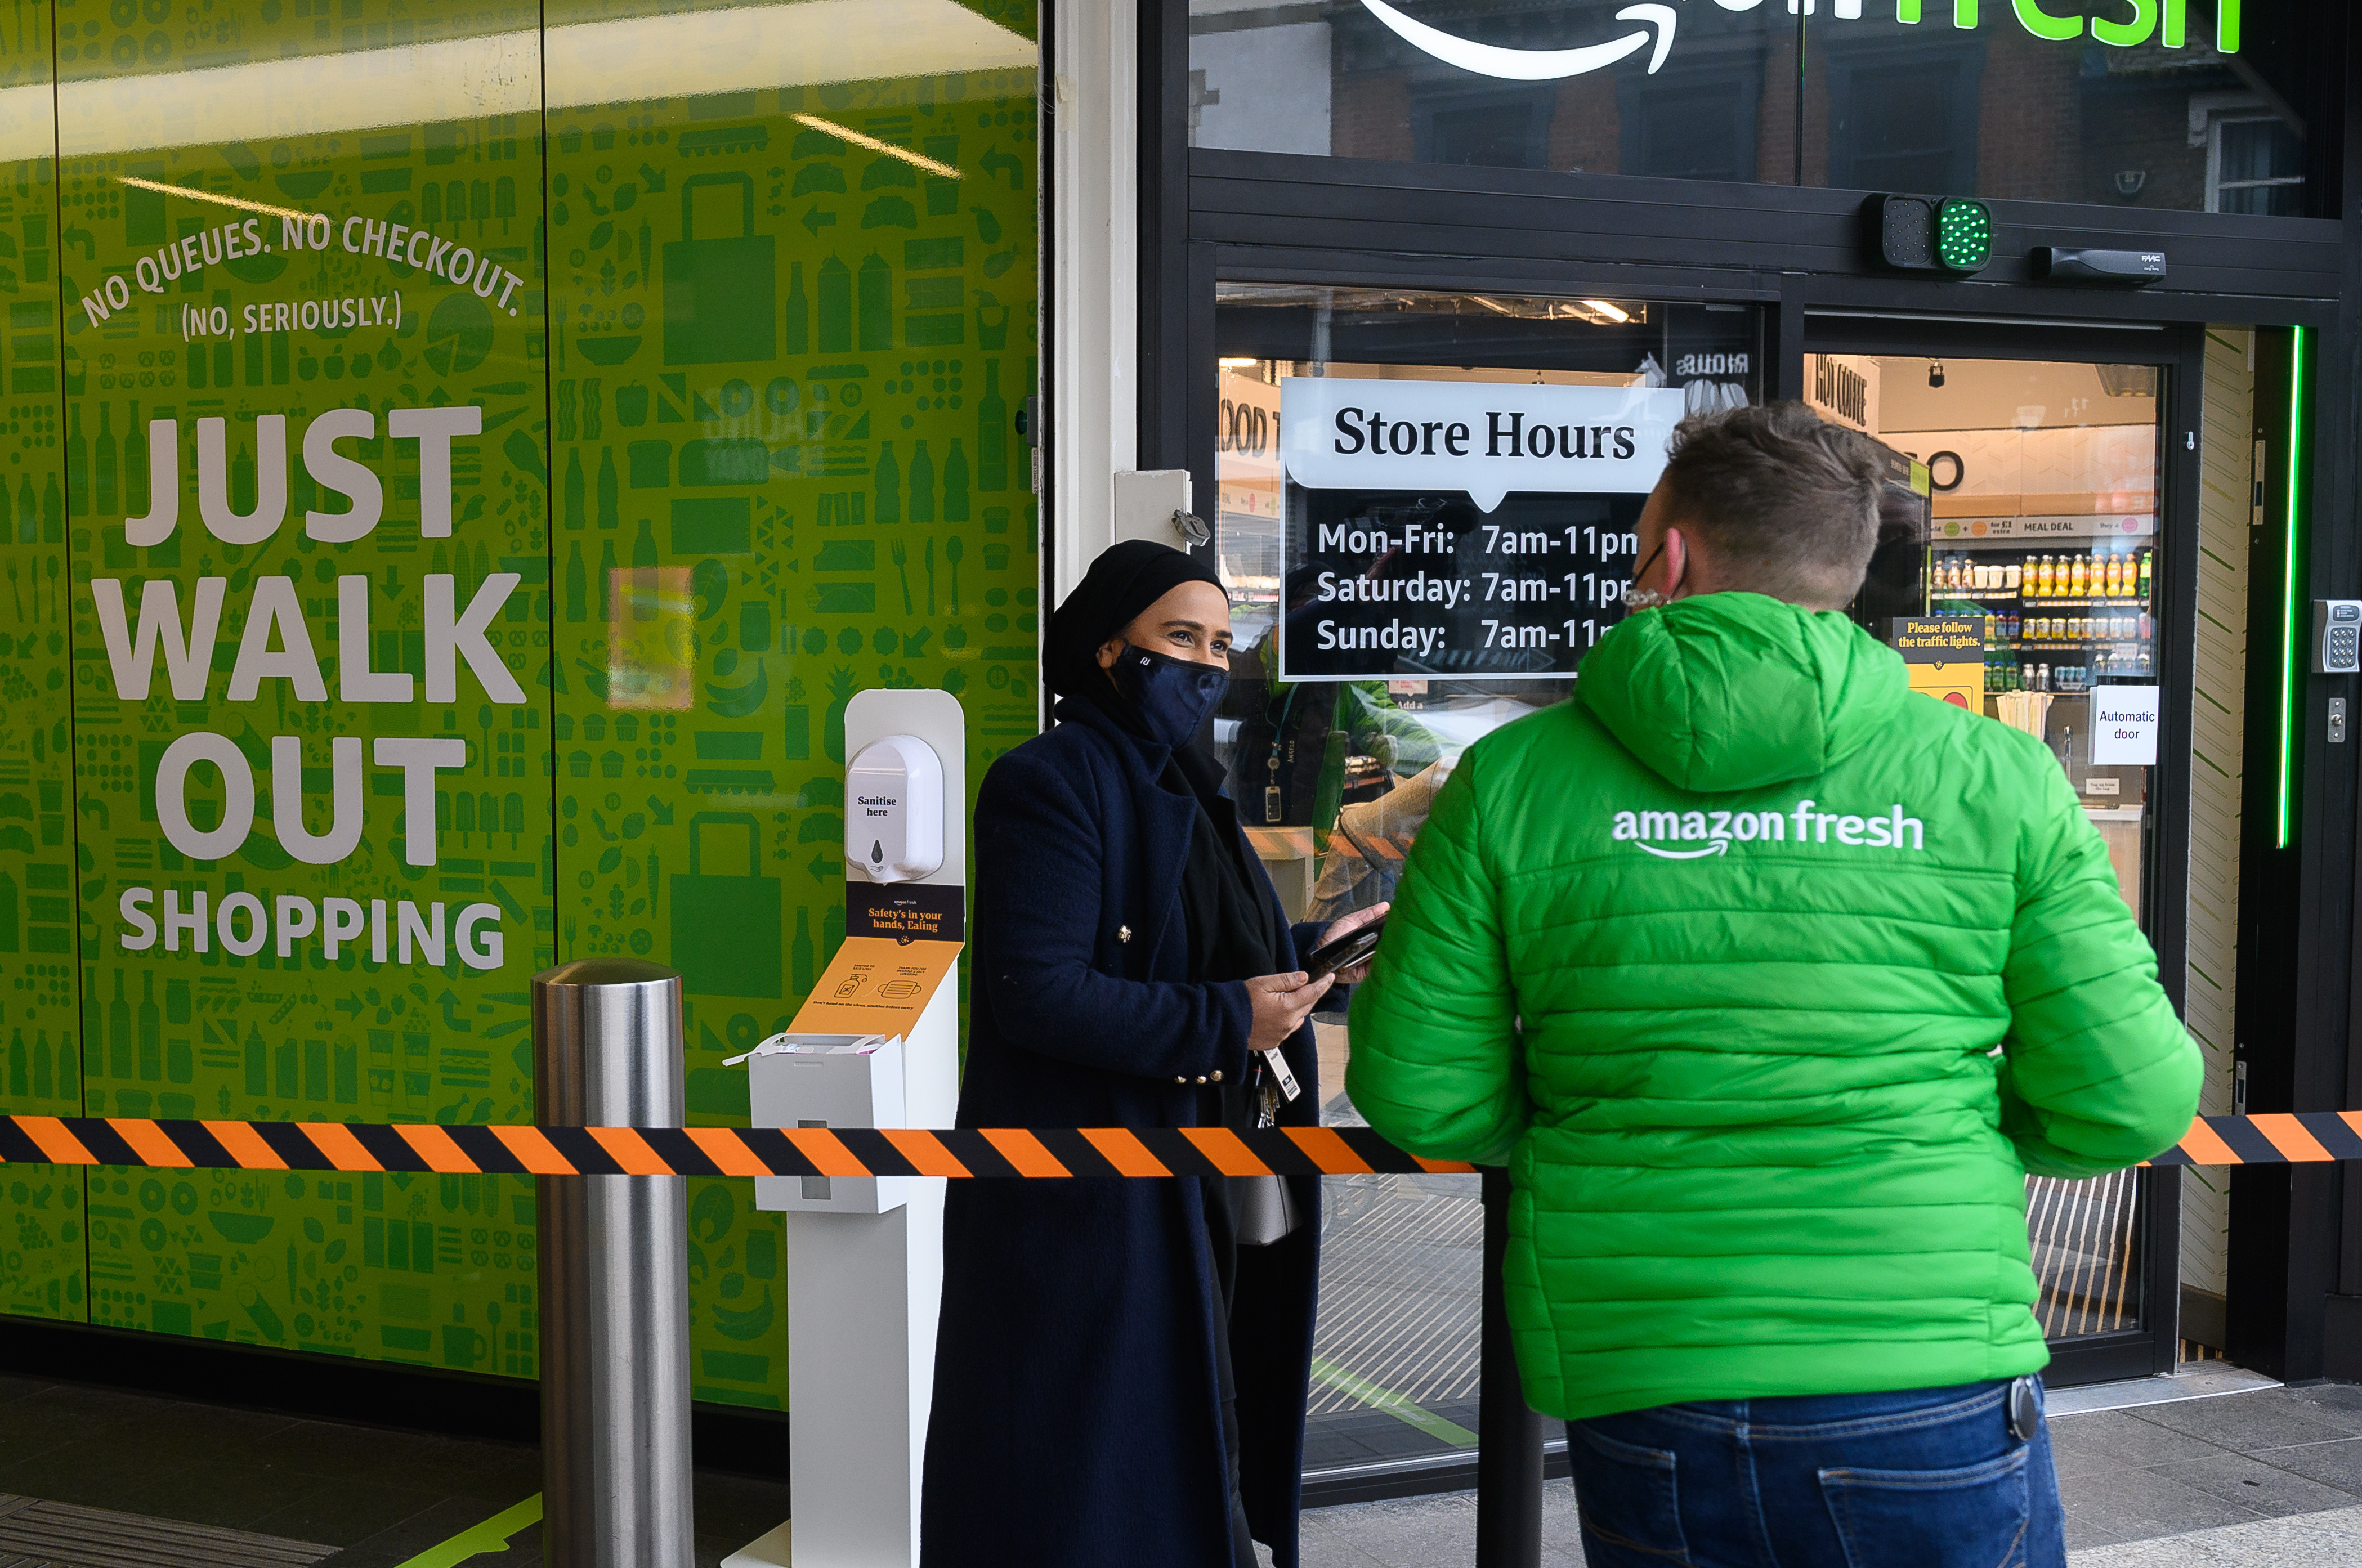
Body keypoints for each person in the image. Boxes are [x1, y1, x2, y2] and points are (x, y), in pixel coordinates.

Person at [1345, 402, 2200, 1568]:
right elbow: (2132, 1098)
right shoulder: (1992, 772)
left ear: (1673, 555)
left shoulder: (1510, 778)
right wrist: (1956, 1133)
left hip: (1645, 1367)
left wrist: (1587, 1129)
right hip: (1926, 1357)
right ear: (1845, 571)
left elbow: (1417, 1087)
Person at [922, 539, 1383, 1568]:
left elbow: (1214, 956)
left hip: (1191, 1178)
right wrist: (1231, 1019)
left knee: (1183, 1446)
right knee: (1083, 1478)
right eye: (1180, 639)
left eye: (1221, 643)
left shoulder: (1192, 788)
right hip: (1090, 1198)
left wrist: (1313, 961)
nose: (1207, 666)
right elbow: (1038, 993)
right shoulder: (1048, 782)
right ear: (1103, 651)